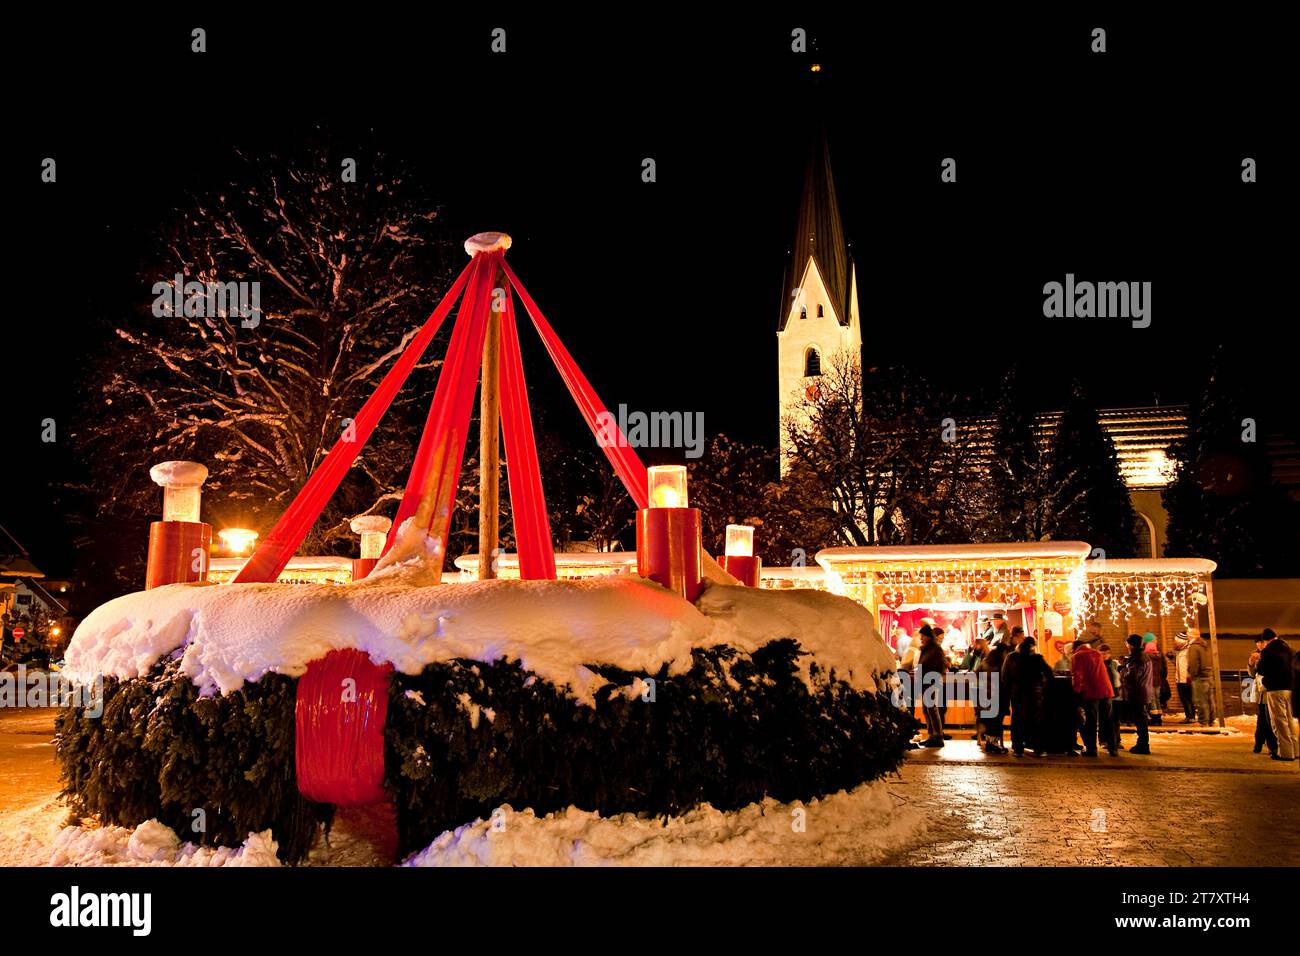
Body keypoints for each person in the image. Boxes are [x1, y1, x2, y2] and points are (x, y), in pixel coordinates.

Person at [1002, 635, 1054, 757]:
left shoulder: (1011, 657)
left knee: (1018, 720)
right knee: (1036, 720)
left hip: (1017, 693)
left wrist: (1008, 691)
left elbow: (1005, 676)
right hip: (1034, 693)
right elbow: (1049, 673)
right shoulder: (1037, 658)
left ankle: (1018, 748)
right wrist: (1043, 685)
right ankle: (1038, 748)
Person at [1256, 628, 1297, 762]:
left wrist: (1263, 679)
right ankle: (1296, 750)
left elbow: (1261, 669)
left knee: (1279, 721)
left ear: (1266, 640)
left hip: (1275, 689)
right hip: (1290, 688)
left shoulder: (1268, 651)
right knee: (1290, 720)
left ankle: (1285, 753)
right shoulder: (1290, 650)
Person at [1071, 639, 1117, 756]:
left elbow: (1077, 675)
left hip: (1092, 691)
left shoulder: (1077, 656)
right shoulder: (1096, 653)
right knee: (1108, 720)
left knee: (1091, 721)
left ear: (1075, 648)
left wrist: (1076, 691)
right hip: (1106, 690)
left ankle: (1092, 750)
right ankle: (1113, 748)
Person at [1121, 634, 1153, 754]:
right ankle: (1143, 744)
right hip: (1144, 691)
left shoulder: (1137, 657)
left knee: (1140, 720)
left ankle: (1143, 745)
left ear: (1130, 645)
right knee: (1141, 719)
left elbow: (1133, 676)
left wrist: (1123, 672)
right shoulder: (1144, 656)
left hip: (1138, 692)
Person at [918, 624, 948, 748]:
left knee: (932, 708)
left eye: (923, 636)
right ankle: (932, 735)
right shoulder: (927, 648)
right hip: (926, 681)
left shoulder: (934, 649)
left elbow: (941, 665)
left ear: (928, 636)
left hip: (931, 681)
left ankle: (937, 736)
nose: (921, 638)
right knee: (927, 709)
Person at [979, 635, 1010, 754]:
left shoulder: (985, 661)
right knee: (996, 721)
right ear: (1004, 652)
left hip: (984, 697)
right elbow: (1005, 681)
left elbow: (977, 674)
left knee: (990, 721)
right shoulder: (1001, 664)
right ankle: (993, 744)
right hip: (997, 697)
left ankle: (990, 743)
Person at [1247, 632, 1278, 756]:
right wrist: (1250, 663)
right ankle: (1259, 743)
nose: (1259, 645)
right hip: (1260, 693)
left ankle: (1269, 745)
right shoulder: (1256, 654)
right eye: (1257, 643)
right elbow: (1252, 674)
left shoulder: (1270, 654)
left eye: (1260, 642)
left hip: (1269, 691)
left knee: (1267, 721)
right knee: (1261, 720)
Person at [1184, 629, 1217, 726]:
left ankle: (1203, 721)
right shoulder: (1204, 646)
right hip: (1208, 675)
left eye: (1188, 635)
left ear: (1191, 636)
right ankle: (1211, 720)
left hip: (1199, 677)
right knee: (1210, 699)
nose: (1187, 637)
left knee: (1200, 700)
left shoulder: (1194, 647)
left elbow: (1194, 663)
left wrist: (1192, 674)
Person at [1100, 643, 1123, 752]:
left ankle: (1116, 740)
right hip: (1104, 694)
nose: (1104, 656)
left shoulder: (1115, 664)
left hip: (1116, 694)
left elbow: (1119, 677)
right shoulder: (1098, 664)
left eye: (1106, 653)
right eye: (1102, 653)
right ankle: (1104, 740)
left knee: (1115, 719)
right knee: (1104, 718)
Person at [1143, 633, 1169, 725]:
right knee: (1157, 698)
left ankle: (1154, 718)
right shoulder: (1158, 657)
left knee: (1152, 699)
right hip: (1158, 681)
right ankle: (1159, 718)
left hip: (1149, 682)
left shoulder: (1146, 658)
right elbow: (1163, 669)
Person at [1172, 631, 1195, 722]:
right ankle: (1188, 716)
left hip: (1186, 678)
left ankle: (1191, 717)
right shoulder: (1179, 651)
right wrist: (1172, 659)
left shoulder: (1188, 651)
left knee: (1187, 698)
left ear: (1182, 641)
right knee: (1183, 698)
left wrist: (1189, 676)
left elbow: (1190, 664)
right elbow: (1179, 665)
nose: (1175, 643)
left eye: (1176, 641)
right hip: (1180, 678)